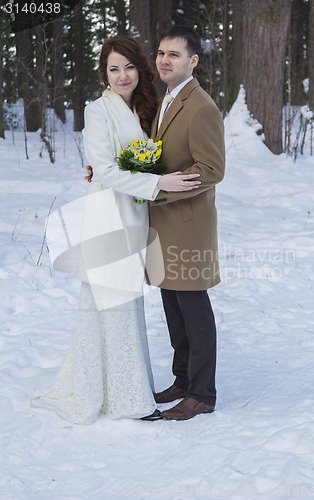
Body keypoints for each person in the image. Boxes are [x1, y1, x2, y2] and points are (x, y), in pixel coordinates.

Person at [31, 35, 201, 424]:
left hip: (138, 215)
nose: (122, 75)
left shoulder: (148, 108)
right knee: (112, 300)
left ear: (139, 69)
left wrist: (160, 177)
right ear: (104, 74)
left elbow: (154, 153)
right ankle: (128, 399)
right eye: (113, 68)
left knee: (123, 302)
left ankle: (119, 386)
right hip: (110, 214)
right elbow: (105, 169)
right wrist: (159, 183)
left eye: (128, 67)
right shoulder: (98, 110)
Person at [146, 25, 226, 421]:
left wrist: (163, 190)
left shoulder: (201, 106)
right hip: (163, 224)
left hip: (188, 223)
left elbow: (211, 168)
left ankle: (202, 394)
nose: (164, 60)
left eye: (174, 55)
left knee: (193, 307)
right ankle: (182, 380)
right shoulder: (168, 99)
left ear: (192, 61)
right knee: (173, 306)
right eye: (161, 53)